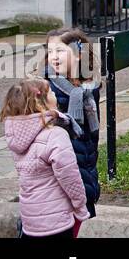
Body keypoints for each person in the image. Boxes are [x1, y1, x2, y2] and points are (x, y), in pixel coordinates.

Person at [1, 79, 89, 239]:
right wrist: (80, 206)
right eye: (51, 92)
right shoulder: (55, 134)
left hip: (30, 219)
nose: (55, 93)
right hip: (57, 220)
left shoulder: (16, 138)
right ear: (41, 103)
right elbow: (70, 177)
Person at [43, 27, 100, 221]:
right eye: (50, 52)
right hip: (58, 178)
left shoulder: (88, 88)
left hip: (85, 167)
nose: (53, 57)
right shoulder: (45, 90)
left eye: (59, 51)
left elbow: (91, 136)